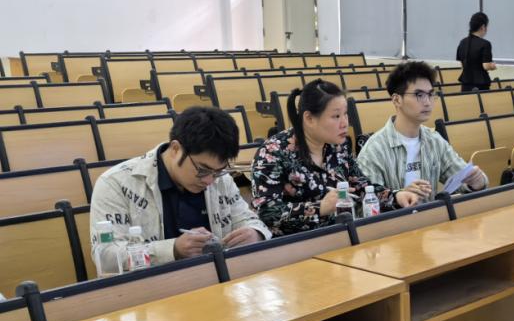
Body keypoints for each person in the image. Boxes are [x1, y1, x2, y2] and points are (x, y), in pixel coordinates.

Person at [89, 106, 269, 268]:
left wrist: (255, 233)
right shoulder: (115, 183)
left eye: (218, 171)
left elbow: (248, 220)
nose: (209, 180)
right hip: (153, 287)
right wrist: (172, 250)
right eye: (202, 170)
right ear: (175, 149)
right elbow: (106, 257)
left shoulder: (219, 178)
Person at [251, 79, 418, 236]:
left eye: (345, 114)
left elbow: (361, 187)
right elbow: (268, 213)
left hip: (340, 236)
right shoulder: (273, 152)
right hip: (292, 245)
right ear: (309, 118)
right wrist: (320, 207)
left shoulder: (338, 146)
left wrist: (396, 196)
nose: (345, 123)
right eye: (336, 116)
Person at [357, 61, 487, 201]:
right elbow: (366, 204)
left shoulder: (434, 141)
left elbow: (462, 179)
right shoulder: (374, 150)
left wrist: (477, 182)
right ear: (397, 100)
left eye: (430, 94)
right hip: (395, 216)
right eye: (419, 95)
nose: (427, 102)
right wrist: (397, 197)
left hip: (431, 215)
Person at [456, 12, 496, 92]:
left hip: (465, 83)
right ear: (483, 27)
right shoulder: (485, 44)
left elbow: (462, 65)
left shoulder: (462, 42)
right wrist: (492, 66)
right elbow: (486, 66)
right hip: (481, 84)